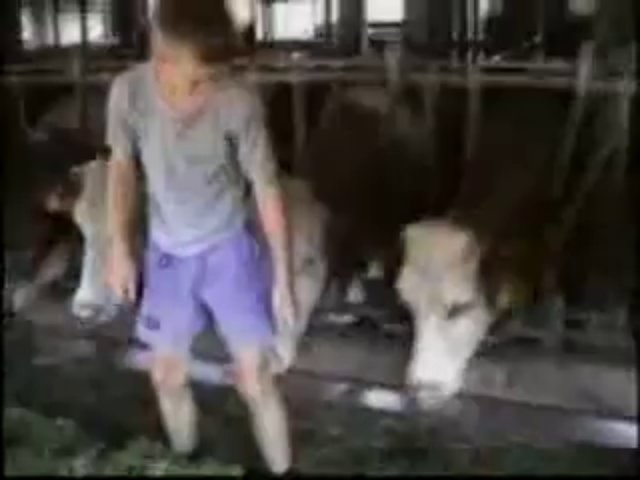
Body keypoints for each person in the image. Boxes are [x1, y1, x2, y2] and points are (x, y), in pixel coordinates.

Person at [104, 0, 296, 473]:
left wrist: (282, 277)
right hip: (168, 253)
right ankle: (186, 462)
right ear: (162, 53)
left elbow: (266, 186)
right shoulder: (128, 93)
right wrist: (118, 246)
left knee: (256, 377)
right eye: (200, 75)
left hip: (228, 248)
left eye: (216, 74)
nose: (211, 84)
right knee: (166, 376)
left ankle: (283, 471)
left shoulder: (238, 100)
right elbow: (121, 167)